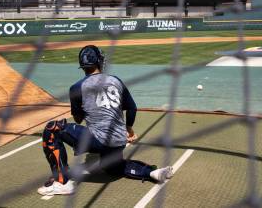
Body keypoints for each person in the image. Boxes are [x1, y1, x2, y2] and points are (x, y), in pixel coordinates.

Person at [37, 45, 173, 196]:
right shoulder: (116, 80)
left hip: (99, 140)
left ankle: (62, 182)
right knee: (111, 167)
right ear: (99, 62)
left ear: (82, 66)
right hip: (119, 140)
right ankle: (151, 172)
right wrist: (129, 130)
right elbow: (132, 107)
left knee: (52, 129)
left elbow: (78, 119)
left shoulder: (76, 88)